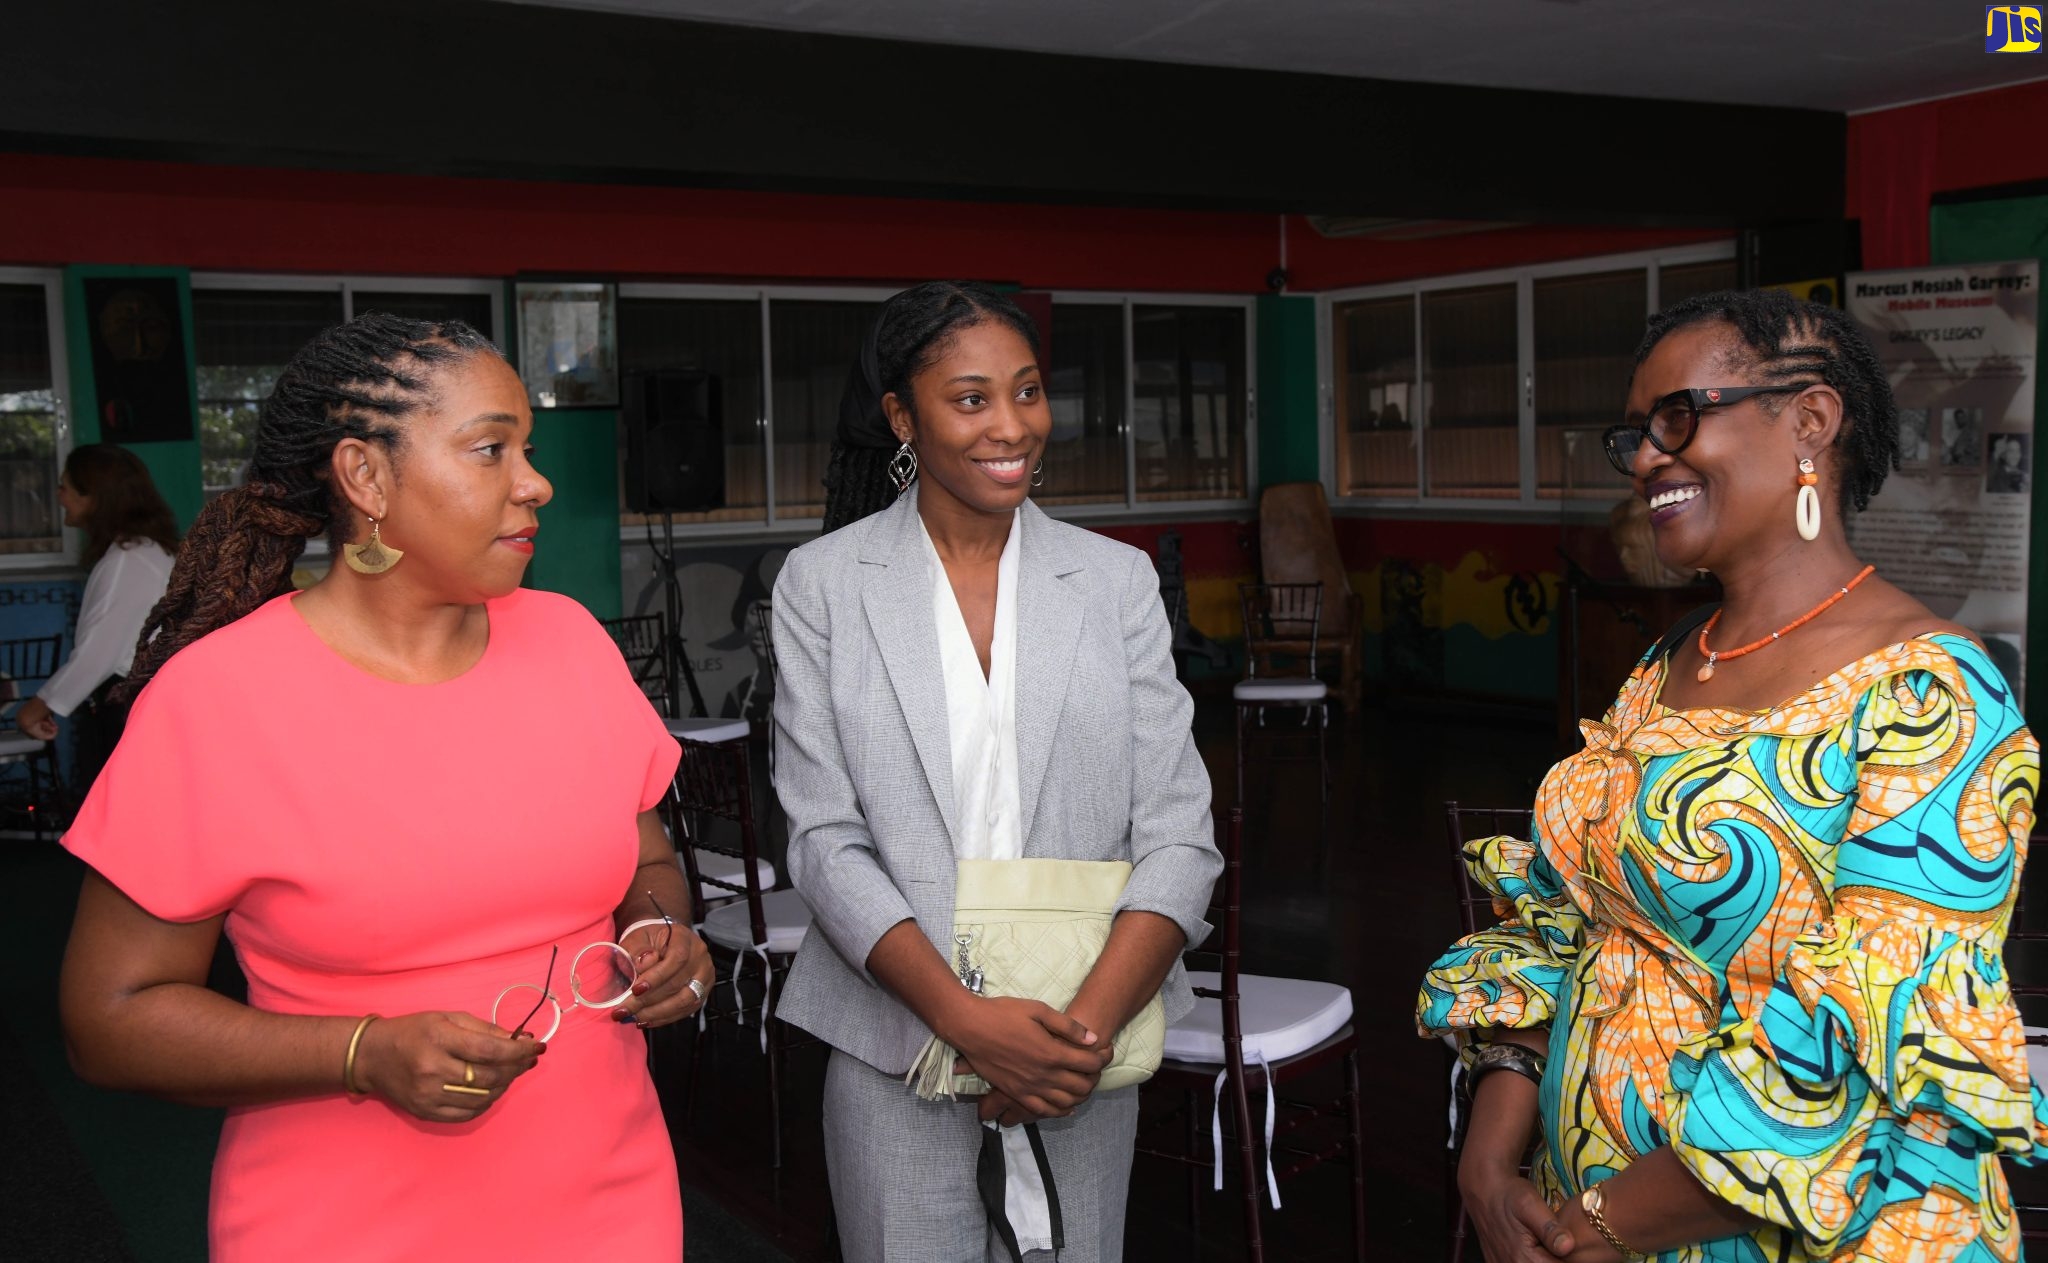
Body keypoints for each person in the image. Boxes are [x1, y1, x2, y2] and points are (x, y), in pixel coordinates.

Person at [57, 313, 715, 1261]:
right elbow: (108, 1019)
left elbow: (645, 857)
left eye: (525, 448)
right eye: (491, 449)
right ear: (365, 476)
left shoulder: (570, 642)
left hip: (611, 1198)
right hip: (343, 1218)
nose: (536, 482)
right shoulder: (216, 700)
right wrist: (359, 1052)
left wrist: (662, 932)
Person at [1420, 289, 2044, 1263]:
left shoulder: (1931, 695)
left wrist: (1608, 1223)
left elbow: (1869, 1053)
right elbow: (1568, 919)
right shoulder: (1663, 667)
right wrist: (1489, 1155)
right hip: (1577, 1212)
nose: (1647, 460)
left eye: (1677, 418)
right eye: (1634, 435)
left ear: (1808, 421)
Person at [772, 282, 1222, 1262]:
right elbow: (822, 840)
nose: (1010, 426)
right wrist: (964, 1021)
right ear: (902, 415)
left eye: (1026, 393)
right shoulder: (823, 586)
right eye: (970, 399)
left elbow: (1180, 835)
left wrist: (1080, 1035)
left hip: (1081, 1045)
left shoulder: (1114, 583)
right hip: (896, 1039)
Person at [13, 444, 178, 786]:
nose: (59, 496)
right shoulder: (142, 551)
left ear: (94, 498)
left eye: (65, 487)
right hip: (141, 703)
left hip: (129, 707)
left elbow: (99, 652)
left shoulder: (129, 559)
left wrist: (40, 704)